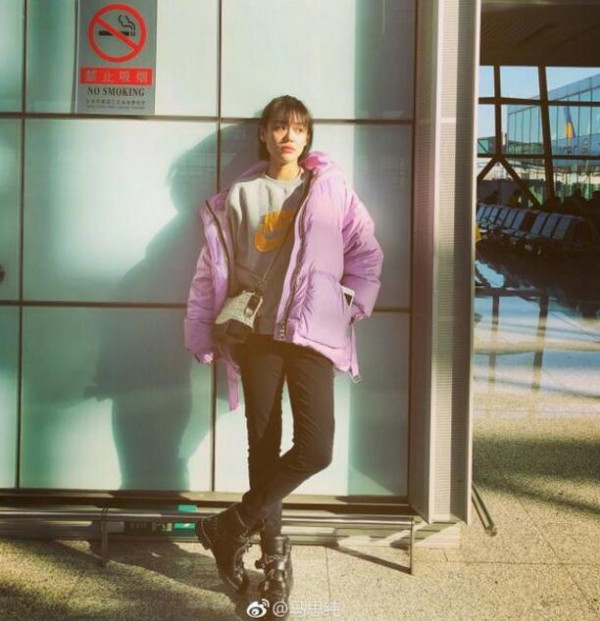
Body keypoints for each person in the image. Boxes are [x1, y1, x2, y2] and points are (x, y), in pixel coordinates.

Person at [184, 95, 383, 616]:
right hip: (257, 336)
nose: (288, 136)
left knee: (316, 448)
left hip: (313, 335)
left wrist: (352, 303)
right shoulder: (241, 195)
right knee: (263, 444)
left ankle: (229, 525)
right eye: (278, 127)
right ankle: (273, 557)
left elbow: (365, 249)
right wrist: (201, 331)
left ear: (308, 136)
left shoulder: (331, 188)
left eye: (297, 128)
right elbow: (213, 268)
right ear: (264, 135)